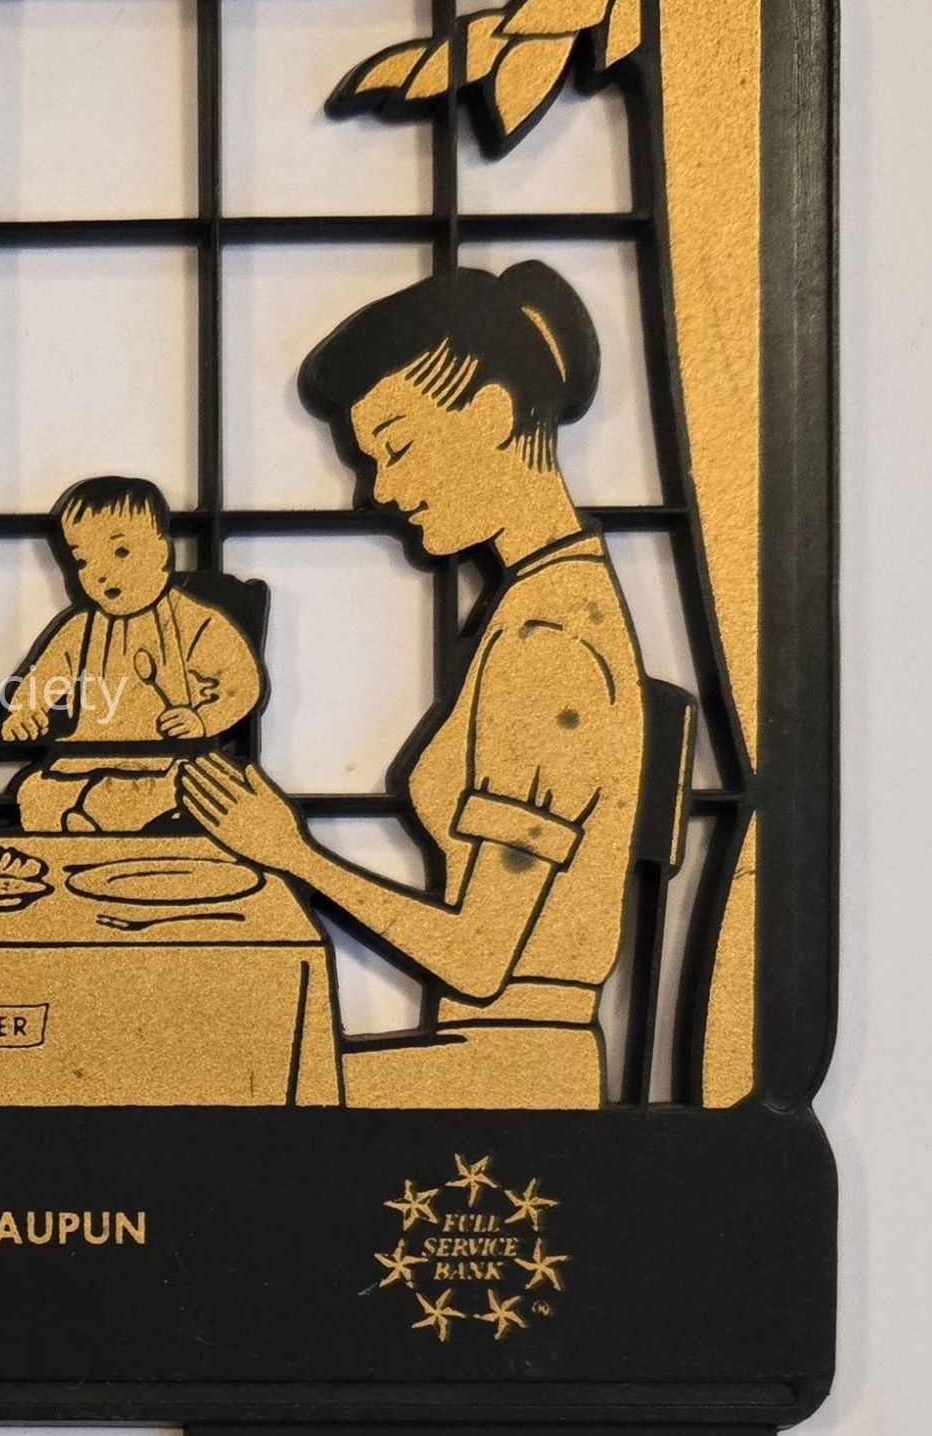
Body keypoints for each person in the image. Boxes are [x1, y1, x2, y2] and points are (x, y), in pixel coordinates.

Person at [179, 260, 647, 1109]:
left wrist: (291, 851)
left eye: (396, 447)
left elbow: (477, 958)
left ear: (492, 416)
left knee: (202, 1092)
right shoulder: (542, 601)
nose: (381, 489)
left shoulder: (549, 646)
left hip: (512, 1086)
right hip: (486, 1064)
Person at [0, 475, 264, 831]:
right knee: (34, 793)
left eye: (121, 552)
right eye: (83, 561)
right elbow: (45, 676)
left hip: (166, 763)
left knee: (119, 801)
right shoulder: (82, 628)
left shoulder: (197, 622)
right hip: (86, 756)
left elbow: (242, 683)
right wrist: (25, 712)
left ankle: (92, 834)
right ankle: (71, 848)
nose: (101, 574)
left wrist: (204, 719)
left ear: (162, 553)